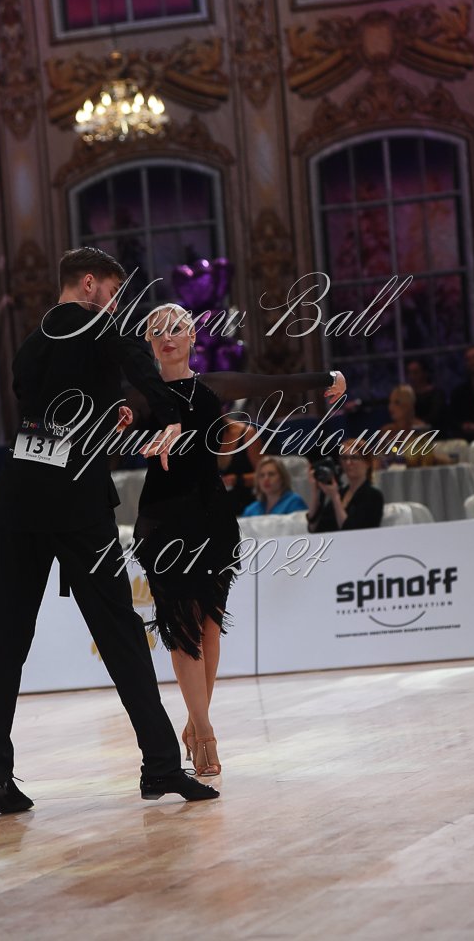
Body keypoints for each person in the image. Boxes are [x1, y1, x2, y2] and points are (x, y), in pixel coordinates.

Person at [0, 248, 218, 815]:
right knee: (120, 635)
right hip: (78, 506)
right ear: (89, 283)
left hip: (15, 502)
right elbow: (147, 377)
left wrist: (107, 413)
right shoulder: (104, 327)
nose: (115, 302)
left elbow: (45, 414)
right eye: (112, 290)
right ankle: (161, 765)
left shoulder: (30, 344)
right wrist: (170, 417)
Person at [131, 304, 345, 778]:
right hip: (164, 520)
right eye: (157, 331)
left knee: (209, 625)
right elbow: (99, 415)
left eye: (176, 329)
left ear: (192, 337)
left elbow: (269, 384)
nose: (167, 336)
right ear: (148, 342)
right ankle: (206, 734)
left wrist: (326, 376)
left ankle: (194, 724)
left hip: (213, 518)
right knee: (183, 627)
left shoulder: (213, 386)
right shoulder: (141, 395)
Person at [307, 440, 384, 532]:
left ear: (367, 463)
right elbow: (313, 528)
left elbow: (351, 531)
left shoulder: (373, 496)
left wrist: (335, 498)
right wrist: (315, 491)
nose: (348, 463)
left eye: (354, 458)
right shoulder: (340, 493)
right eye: (344, 458)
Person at [217, 413, 264, 516]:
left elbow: (264, 475)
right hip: (218, 507)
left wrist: (238, 480)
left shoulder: (248, 433)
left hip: (247, 506)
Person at [241, 456, 308, 516]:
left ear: (282, 478)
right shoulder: (251, 510)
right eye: (262, 475)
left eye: (271, 474)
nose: (266, 479)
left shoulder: (294, 502)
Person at [405, 359, 447, 434]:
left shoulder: (436, 393)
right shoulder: (407, 395)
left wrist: (421, 422)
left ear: (425, 373)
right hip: (412, 434)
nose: (411, 377)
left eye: (415, 373)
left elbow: (436, 416)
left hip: (435, 433)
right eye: (409, 373)